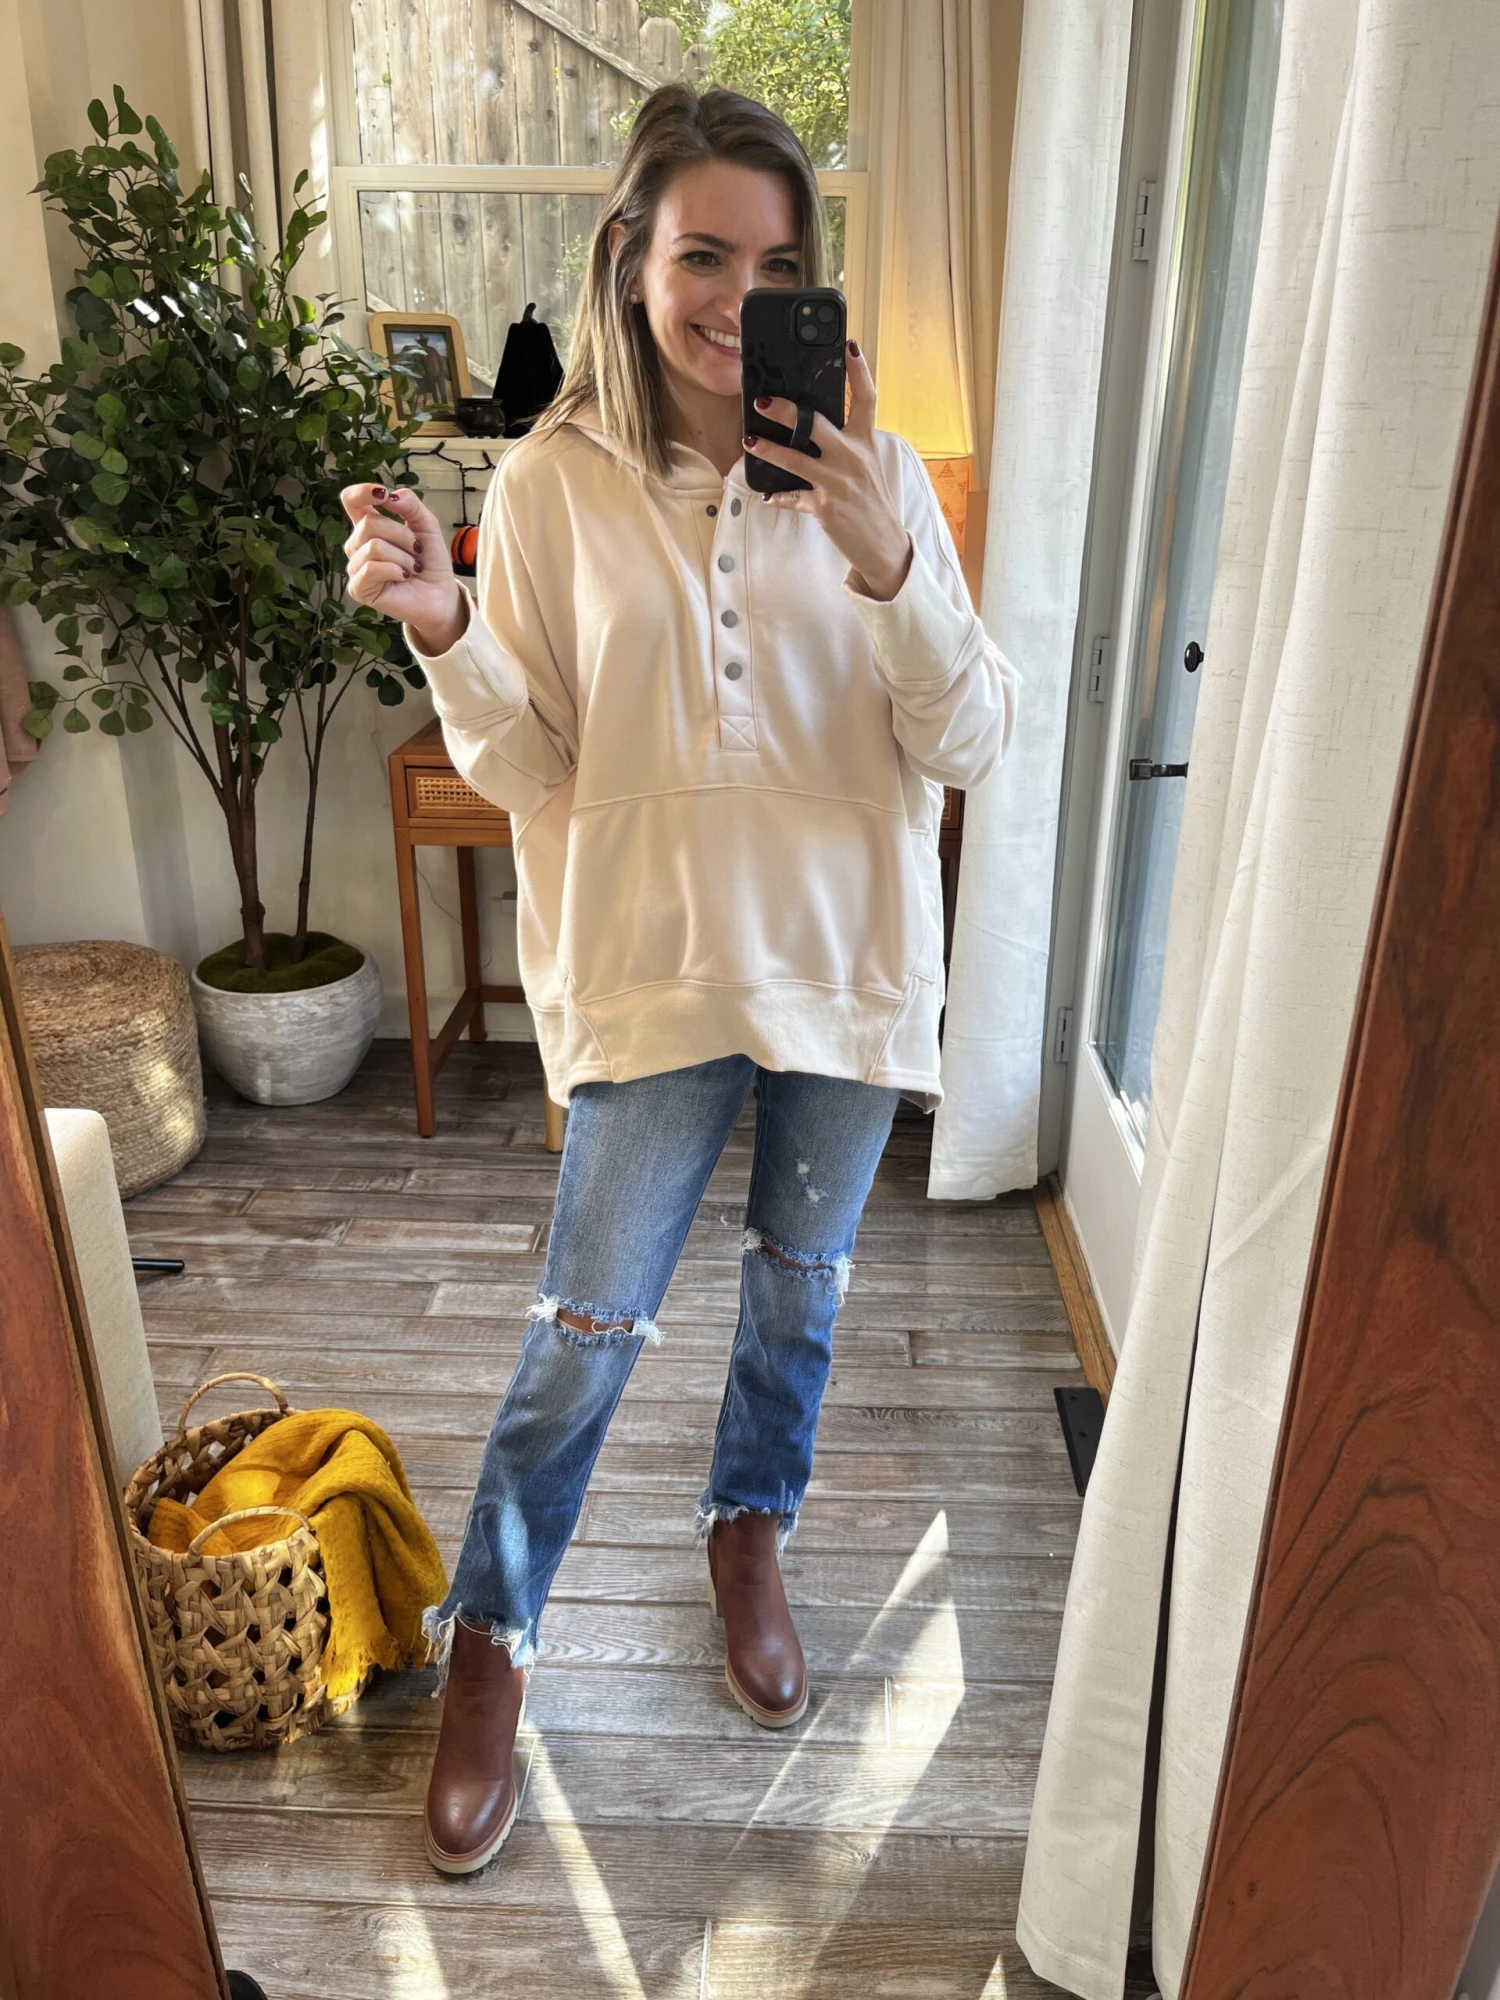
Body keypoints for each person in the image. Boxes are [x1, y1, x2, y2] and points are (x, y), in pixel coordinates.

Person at [341, 81, 1019, 1878]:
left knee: (800, 1292)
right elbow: (531, 767)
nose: (737, 297)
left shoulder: (876, 474)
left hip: (844, 961)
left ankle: (748, 1532)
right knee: (585, 1330)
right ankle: (494, 1642)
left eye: (779, 265)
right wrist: (443, 627)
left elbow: (971, 742)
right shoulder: (550, 484)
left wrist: (889, 562)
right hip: (648, 964)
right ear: (631, 257)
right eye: (705, 254)